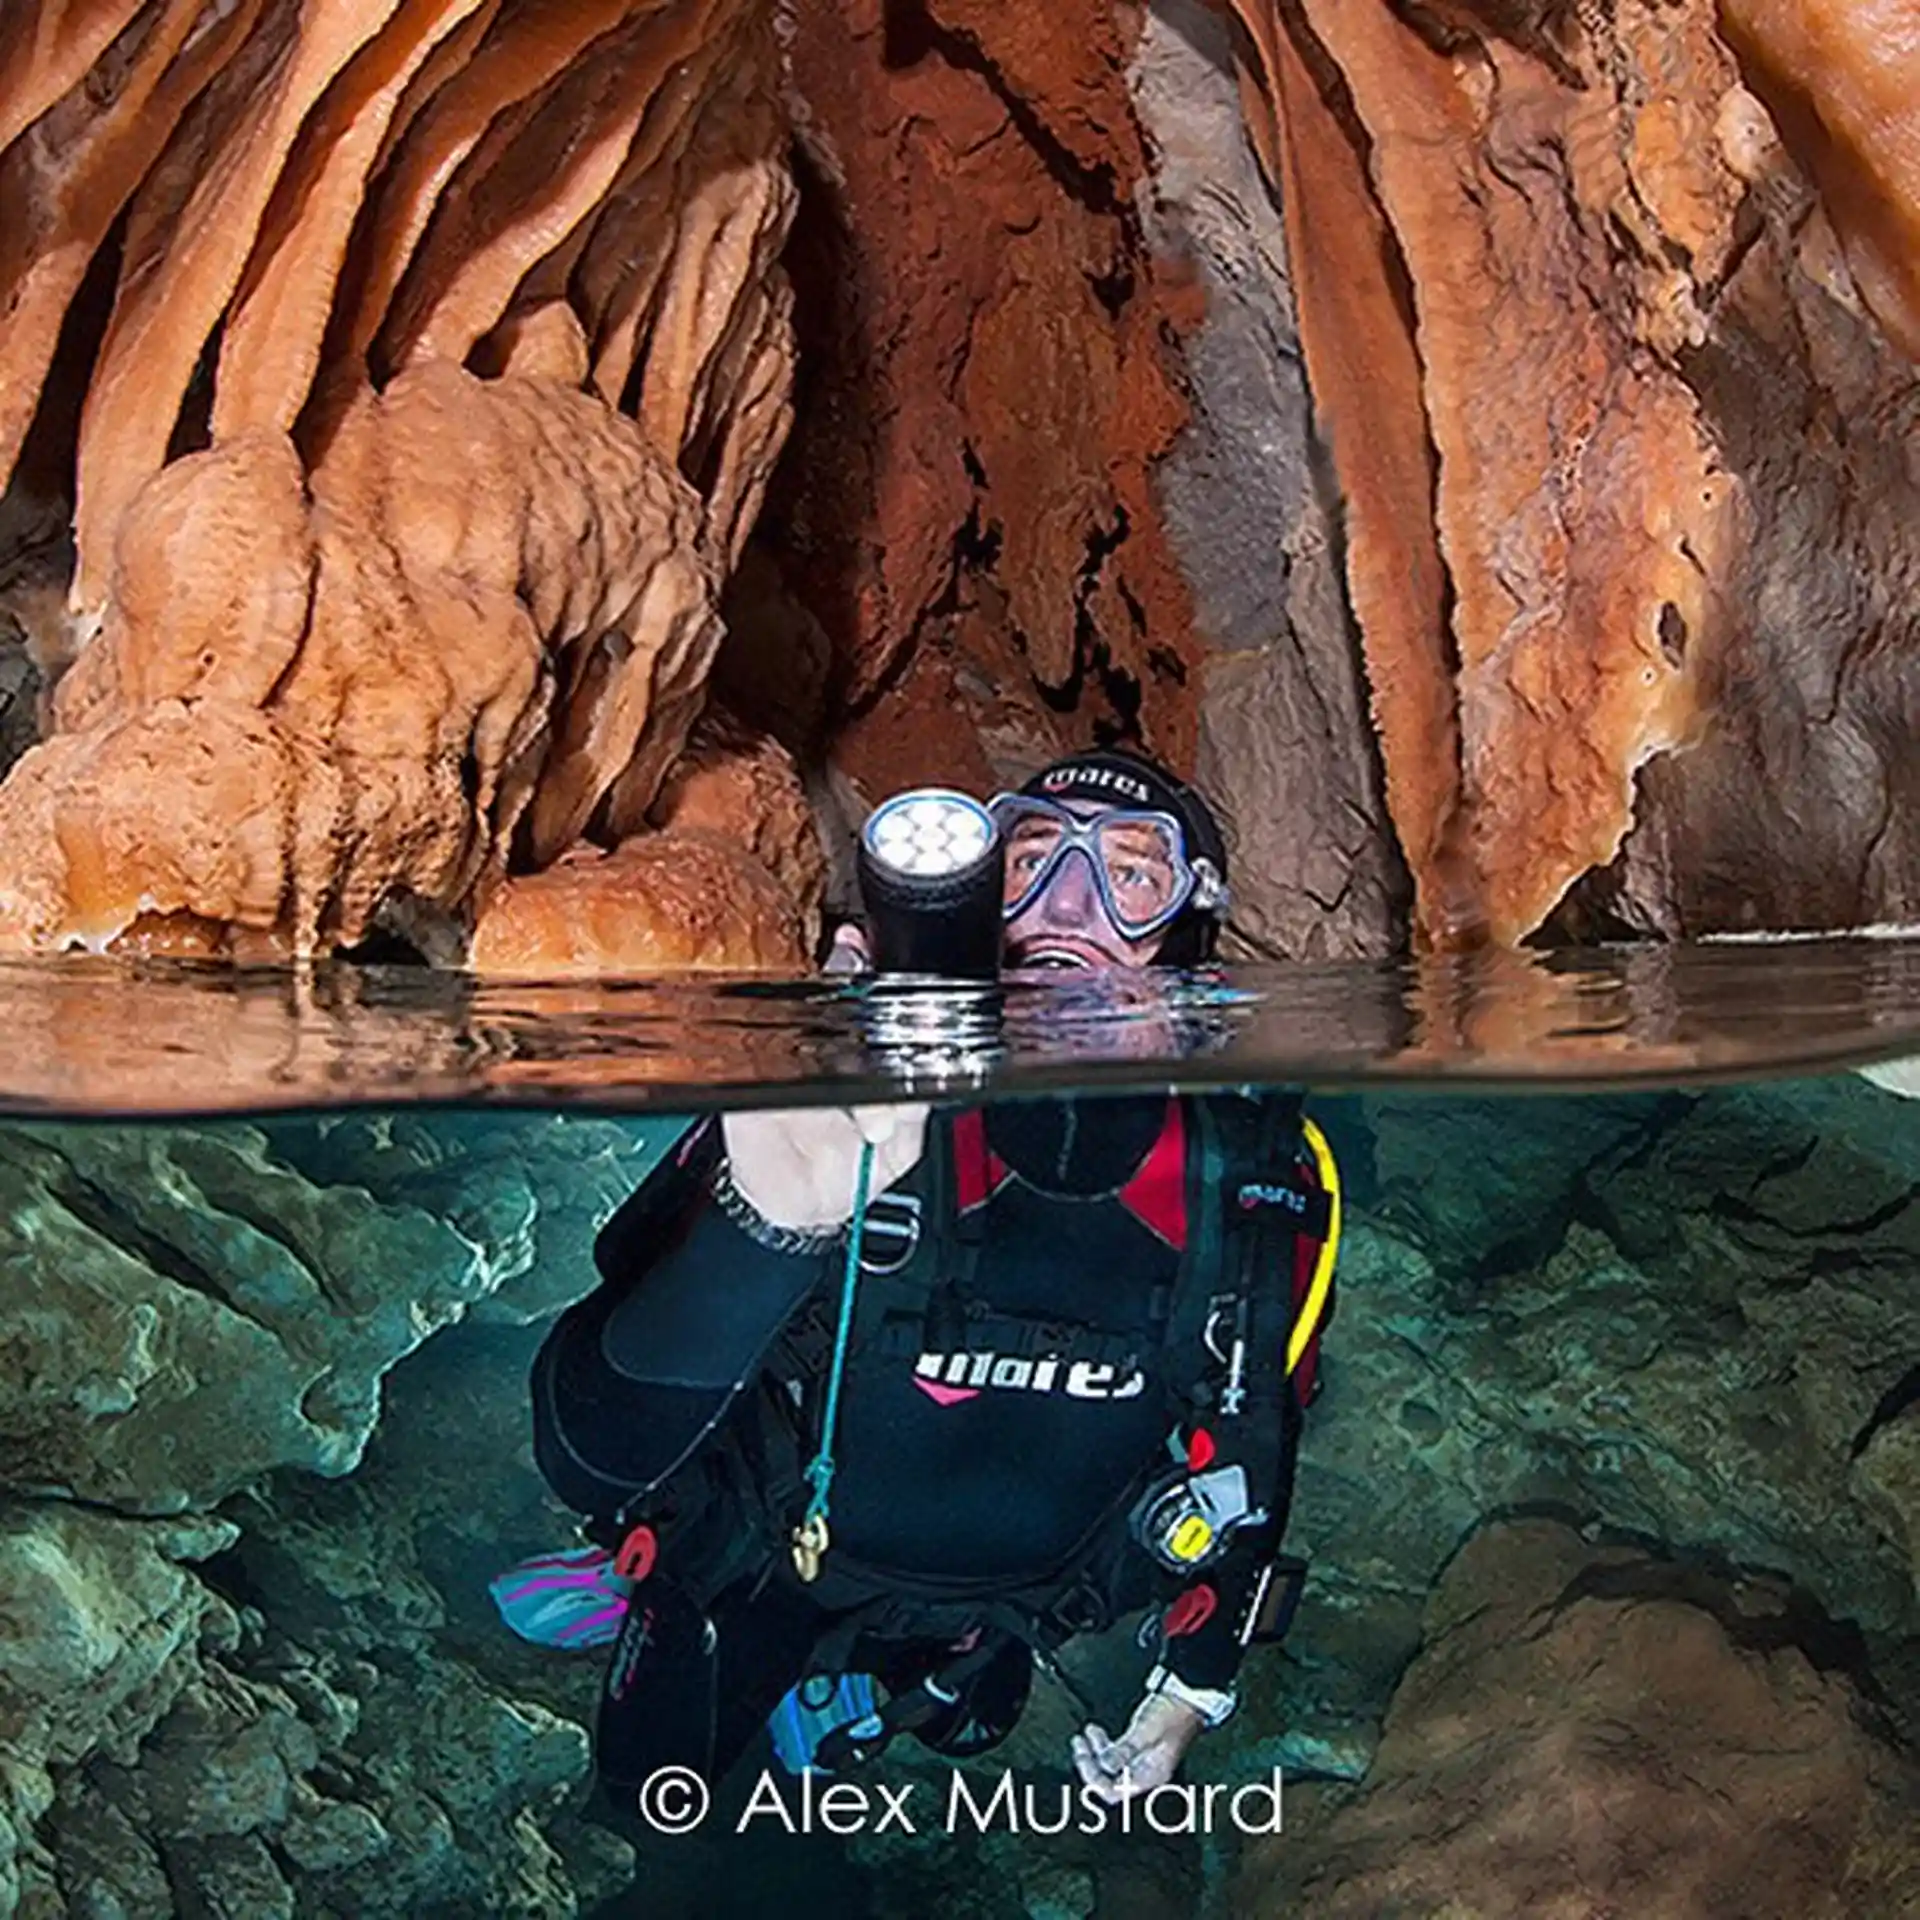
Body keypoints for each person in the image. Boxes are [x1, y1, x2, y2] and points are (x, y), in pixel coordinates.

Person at [500, 748, 1340, 1804]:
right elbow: (586, 1454)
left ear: (1189, 935)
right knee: (650, 1788)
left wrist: (1190, 1689)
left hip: (1019, 1604)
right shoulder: (844, 1099)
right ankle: (653, 1594)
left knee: (968, 1727)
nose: (1068, 911)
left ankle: (885, 1695)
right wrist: (766, 1229)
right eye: (1030, 858)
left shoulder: (1254, 1172)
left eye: (1131, 874)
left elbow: (1254, 1444)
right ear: (977, 896)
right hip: (766, 1559)